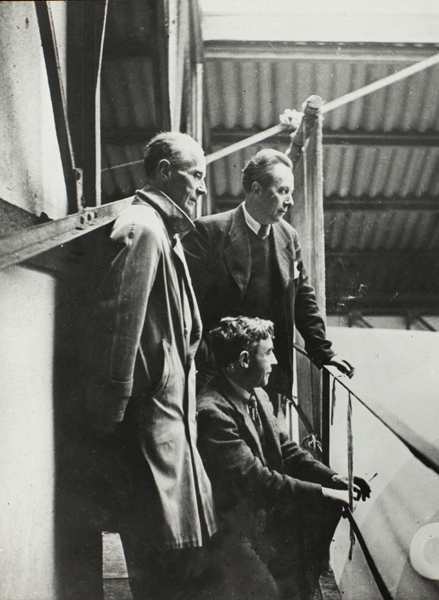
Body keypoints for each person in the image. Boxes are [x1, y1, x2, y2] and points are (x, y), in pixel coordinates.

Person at [86, 132, 217, 600]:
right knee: (155, 558)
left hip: (168, 420)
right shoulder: (143, 226)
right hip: (147, 421)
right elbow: (120, 319)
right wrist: (111, 409)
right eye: (195, 175)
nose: (202, 187)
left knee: (174, 556)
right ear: (164, 172)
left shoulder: (168, 234)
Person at [196, 316, 370, 600]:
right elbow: (257, 480)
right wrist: (325, 493)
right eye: (268, 352)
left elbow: (287, 450)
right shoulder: (212, 412)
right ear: (243, 359)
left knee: (297, 582)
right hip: (229, 534)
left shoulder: (258, 395)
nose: (276, 361)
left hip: (260, 520)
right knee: (271, 593)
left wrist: (333, 477)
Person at [184, 148, 355, 399]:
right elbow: (187, 306)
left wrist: (324, 353)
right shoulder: (209, 232)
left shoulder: (288, 236)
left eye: (291, 192)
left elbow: (303, 300)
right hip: (218, 377)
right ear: (256, 190)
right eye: (283, 191)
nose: (291, 201)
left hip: (270, 378)